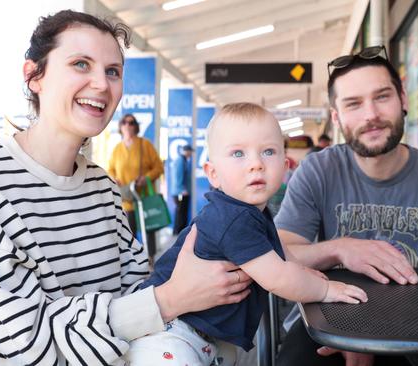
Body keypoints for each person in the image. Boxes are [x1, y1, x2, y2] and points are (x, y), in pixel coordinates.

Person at [0, 10, 253, 365]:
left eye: (112, 71)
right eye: (81, 64)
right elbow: (26, 341)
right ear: (34, 76)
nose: (101, 84)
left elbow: (135, 289)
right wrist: (169, 299)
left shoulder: (102, 187)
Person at [274, 46, 418, 366]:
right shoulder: (318, 170)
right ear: (337, 118)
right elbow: (281, 252)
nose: (371, 115)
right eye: (353, 104)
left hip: (417, 320)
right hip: (327, 318)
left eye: (382, 97)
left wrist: (370, 338)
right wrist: (340, 249)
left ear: (403, 99)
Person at [124, 103, 367, 365]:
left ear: (285, 166)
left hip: (203, 336)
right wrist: (325, 290)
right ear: (213, 174)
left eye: (268, 151)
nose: (256, 164)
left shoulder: (253, 213)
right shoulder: (232, 217)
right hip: (168, 334)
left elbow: (279, 254)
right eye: (238, 153)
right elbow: (278, 277)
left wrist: (304, 271)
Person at [108, 113, 164, 257]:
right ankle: (134, 263)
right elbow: (110, 169)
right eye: (124, 122)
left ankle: (151, 260)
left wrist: (146, 178)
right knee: (129, 233)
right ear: (120, 126)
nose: (127, 125)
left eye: (131, 122)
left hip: (143, 198)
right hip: (126, 200)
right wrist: (113, 177)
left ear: (136, 126)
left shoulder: (145, 144)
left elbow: (158, 167)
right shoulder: (117, 149)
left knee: (148, 231)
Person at [171, 144, 193, 234]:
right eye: (190, 151)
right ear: (186, 151)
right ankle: (178, 231)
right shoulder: (180, 160)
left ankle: (179, 231)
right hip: (180, 192)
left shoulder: (183, 160)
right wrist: (182, 189)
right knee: (180, 212)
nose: (191, 153)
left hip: (180, 191)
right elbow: (178, 176)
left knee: (181, 212)